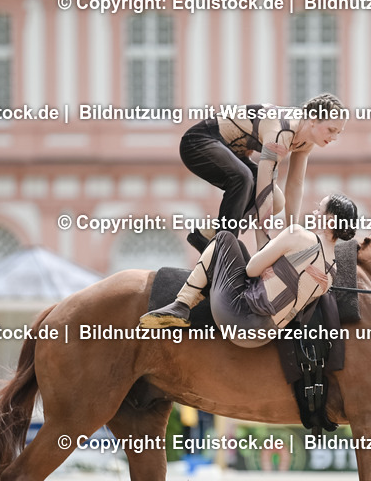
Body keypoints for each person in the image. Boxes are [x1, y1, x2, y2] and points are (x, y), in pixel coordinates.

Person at [140, 194, 357, 347]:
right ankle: (208, 258)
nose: (314, 211)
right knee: (239, 249)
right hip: (265, 336)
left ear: (330, 219)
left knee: (225, 239)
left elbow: (252, 269)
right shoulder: (331, 274)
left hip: (239, 317)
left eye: (320, 208)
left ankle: (182, 304)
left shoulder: (299, 234)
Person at [179, 93, 346, 252]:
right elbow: (263, 191)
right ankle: (223, 248)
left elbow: (295, 184)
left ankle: (206, 234)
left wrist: (292, 231)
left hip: (232, 153)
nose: (335, 137)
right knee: (244, 178)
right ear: (313, 120)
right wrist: (263, 243)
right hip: (198, 142)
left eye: (338, 132)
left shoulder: (306, 140)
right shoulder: (281, 131)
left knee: (277, 201)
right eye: (331, 130)